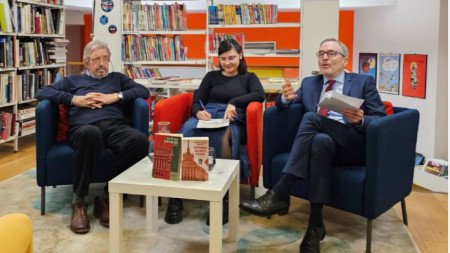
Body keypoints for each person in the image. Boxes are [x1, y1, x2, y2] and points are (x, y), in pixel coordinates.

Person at [239, 38, 386, 253]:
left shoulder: (363, 82)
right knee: (319, 140)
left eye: (331, 53)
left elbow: (381, 117)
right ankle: (315, 227)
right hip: (322, 146)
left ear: (345, 60)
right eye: (321, 53)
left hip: (352, 144)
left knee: (310, 118)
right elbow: (288, 101)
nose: (325, 57)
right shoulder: (310, 83)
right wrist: (285, 99)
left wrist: (361, 120)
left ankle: (280, 191)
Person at [35, 40, 150, 234]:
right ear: (86, 62)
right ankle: (79, 202)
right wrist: (74, 99)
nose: (102, 63)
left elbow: (143, 91)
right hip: (83, 128)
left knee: (140, 141)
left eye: (105, 58)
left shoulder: (117, 79)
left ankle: (106, 197)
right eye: (96, 59)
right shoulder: (72, 81)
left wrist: (115, 97)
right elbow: (42, 92)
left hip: (114, 127)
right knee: (90, 133)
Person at [164, 39, 265, 225]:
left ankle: (223, 198)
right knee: (185, 132)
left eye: (232, 57)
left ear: (241, 56)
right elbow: (196, 100)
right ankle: (174, 196)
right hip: (208, 115)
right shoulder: (211, 77)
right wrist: (198, 111)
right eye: (223, 58)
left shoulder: (249, 77)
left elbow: (259, 94)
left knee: (222, 136)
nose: (227, 63)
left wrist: (234, 102)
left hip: (234, 118)